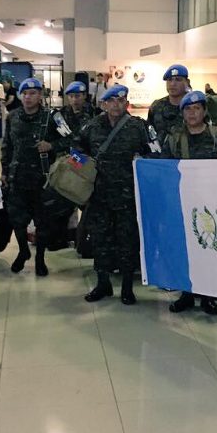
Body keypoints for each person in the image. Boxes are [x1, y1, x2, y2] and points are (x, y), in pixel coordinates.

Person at [161, 89, 217, 316]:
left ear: (204, 111)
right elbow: (164, 169)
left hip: (211, 204)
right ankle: (186, 293)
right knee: (185, 249)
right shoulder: (174, 138)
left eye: (197, 108)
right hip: (183, 202)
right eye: (188, 109)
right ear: (182, 113)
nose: (192, 113)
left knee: (209, 247)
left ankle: (208, 294)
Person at [75, 85, 150, 305]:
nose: (116, 105)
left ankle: (127, 287)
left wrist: (143, 160)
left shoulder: (138, 127)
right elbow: (74, 152)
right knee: (100, 240)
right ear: (103, 104)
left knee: (127, 240)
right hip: (99, 196)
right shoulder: (91, 127)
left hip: (128, 196)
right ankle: (103, 284)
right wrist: (85, 169)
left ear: (126, 103)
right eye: (111, 101)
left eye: (121, 100)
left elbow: (154, 151)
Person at [0, 78, 72, 277]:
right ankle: (23, 251)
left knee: (43, 222)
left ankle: (40, 258)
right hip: (18, 177)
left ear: (40, 95)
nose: (28, 97)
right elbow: (7, 146)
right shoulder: (13, 116)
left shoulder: (53, 117)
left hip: (43, 179)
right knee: (17, 219)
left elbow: (70, 139)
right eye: (24, 93)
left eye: (32, 93)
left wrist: (52, 146)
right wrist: (4, 172)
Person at [147, 63, 190, 144]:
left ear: (187, 82)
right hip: (161, 151)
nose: (172, 84)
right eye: (170, 80)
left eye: (178, 79)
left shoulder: (194, 106)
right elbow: (149, 133)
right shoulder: (156, 106)